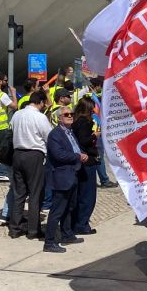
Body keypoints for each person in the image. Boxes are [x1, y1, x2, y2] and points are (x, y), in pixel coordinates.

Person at [43, 105, 87, 253]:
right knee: (57, 210)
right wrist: (77, 156)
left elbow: (75, 148)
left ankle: (67, 234)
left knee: (69, 207)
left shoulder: (70, 132)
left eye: (71, 114)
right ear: (59, 118)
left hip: (72, 174)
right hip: (61, 176)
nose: (70, 116)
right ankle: (49, 242)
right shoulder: (55, 134)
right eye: (66, 114)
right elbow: (59, 155)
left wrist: (82, 154)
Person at [9, 95, 50, 239]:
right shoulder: (40, 117)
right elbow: (48, 136)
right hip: (34, 155)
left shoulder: (17, 115)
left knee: (19, 193)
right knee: (35, 193)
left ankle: (15, 228)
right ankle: (33, 230)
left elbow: (12, 131)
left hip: (18, 154)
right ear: (40, 102)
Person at [70, 96, 100, 235]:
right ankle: (82, 224)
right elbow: (84, 140)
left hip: (80, 161)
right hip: (87, 161)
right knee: (87, 195)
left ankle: (77, 222)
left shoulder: (75, 121)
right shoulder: (83, 123)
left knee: (80, 194)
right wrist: (94, 135)